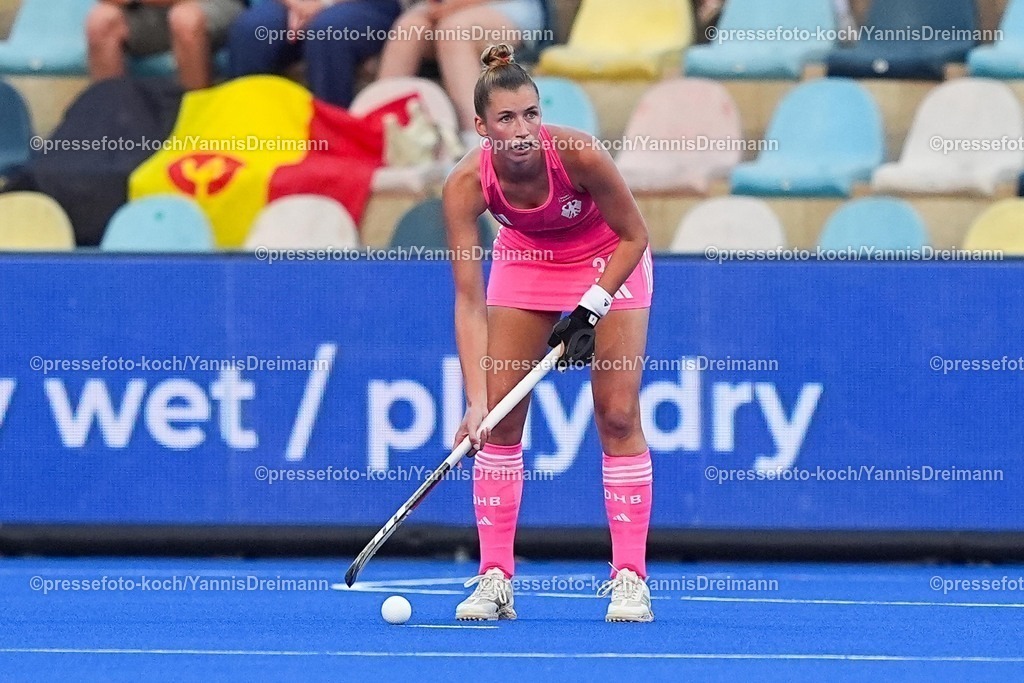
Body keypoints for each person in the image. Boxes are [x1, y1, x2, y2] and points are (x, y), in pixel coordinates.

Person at [442, 43, 656, 623]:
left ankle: (630, 578)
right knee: (500, 421)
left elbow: (635, 236)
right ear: (482, 127)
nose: (522, 130)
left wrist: (592, 304)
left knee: (617, 415)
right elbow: (468, 301)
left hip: (608, 260)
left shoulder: (579, 155)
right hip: (527, 264)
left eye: (531, 114)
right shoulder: (466, 184)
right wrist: (475, 400)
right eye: (506, 119)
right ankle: (494, 578)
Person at [377, 0, 546, 146]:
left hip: (505, 7)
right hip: (446, 8)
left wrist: (456, 5)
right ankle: (376, 129)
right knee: (409, 27)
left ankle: (479, 142)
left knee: (454, 31)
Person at [227, 0, 402, 108]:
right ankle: (249, 130)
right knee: (252, 29)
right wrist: (297, 4)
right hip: (295, 4)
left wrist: (323, 4)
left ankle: (335, 138)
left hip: (365, 4)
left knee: (327, 32)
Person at [86, 0, 247, 90]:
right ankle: (111, 121)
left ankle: (196, 118)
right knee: (100, 21)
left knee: (185, 20)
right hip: (148, 11)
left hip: (208, 5)